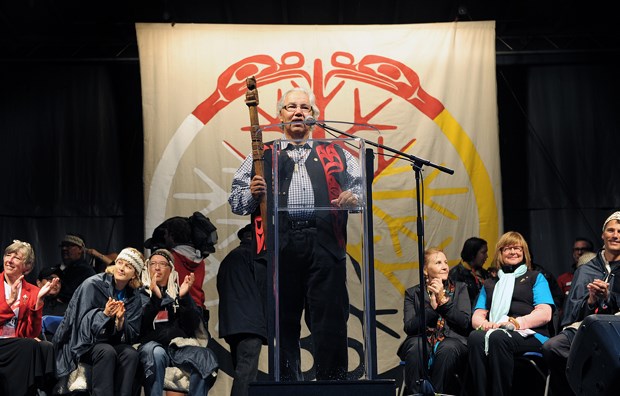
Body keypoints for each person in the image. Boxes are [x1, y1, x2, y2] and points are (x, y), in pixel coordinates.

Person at [229, 87, 362, 381]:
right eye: (291, 107)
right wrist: (252, 195)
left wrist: (354, 196)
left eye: (305, 107)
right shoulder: (262, 154)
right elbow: (236, 201)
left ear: (314, 116)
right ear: (279, 116)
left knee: (329, 323)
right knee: (283, 325)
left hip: (325, 246)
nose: (298, 112)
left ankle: (333, 384)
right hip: (279, 249)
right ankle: (287, 386)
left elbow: (362, 185)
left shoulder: (335, 151)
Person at [542, 211, 620, 396]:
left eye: (619, 231)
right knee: (552, 348)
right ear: (603, 235)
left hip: (615, 329)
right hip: (585, 328)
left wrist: (609, 296)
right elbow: (571, 312)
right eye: (610, 230)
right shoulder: (586, 269)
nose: (615, 235)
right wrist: (591, 301)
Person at [468, 231, 555, 396]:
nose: (513, 252)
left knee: (498, 337)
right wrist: (484, 324)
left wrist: (516, 323)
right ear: (500, 253)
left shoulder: (536, 277)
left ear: (524, 253)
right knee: (475, 337)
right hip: (498, 331)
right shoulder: (490, 283)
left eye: (517, 248)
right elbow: (478, 315)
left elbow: (545, 313)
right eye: (507, 249)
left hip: (531, 334)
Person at [53, 247, 145, 396]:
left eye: (128, 266)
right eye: (120, 262)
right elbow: (79, 324)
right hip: (84, 343)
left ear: (134, 275)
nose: (121, 268)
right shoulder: (93, 284)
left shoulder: (134, 297)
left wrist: (120, 322)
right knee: (106, 351)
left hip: (111, 342)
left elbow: (133, 334)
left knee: (131, 354)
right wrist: (104, 315)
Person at [138, 249, 218, 396]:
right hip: (151, 346)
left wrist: (185, 298)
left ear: (171, 270)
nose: (157, 268)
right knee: (156, 352)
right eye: (153, 264)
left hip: (176, 348)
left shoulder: (177, 293)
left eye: (162, 264)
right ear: (147, 268)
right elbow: (140, 327)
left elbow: (192, 326)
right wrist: (155, 299)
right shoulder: (140, 294)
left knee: (205, 356)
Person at [397, 248, 471, 395]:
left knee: (447, 348)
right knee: (416, 345)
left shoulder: (460, 288)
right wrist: (431, 308)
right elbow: (410, 327)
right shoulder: (413, 293)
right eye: (438, 263)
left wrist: (444, 303)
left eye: (445, 262)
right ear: (425, 270)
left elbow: (465, 322)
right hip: (421, 340)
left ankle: (437, 393)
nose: (445, 266)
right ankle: (415, 393)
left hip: (452, 340)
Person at [1, 240, 58, 396]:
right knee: (28, 345)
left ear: (26, 267)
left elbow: (32, 332)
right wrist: (9, 303)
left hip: (17, 343)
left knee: (35, 345)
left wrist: (39, 302)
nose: (10, 260)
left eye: (16, 258)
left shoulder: (32, 291)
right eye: (7, 255)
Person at [217, 224, 266, 396]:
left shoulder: (229, 258)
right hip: (250, 323)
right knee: (246, 374)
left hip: (232, 324)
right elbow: (264, 288)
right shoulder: (256, 257)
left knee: (242, 370)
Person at [449, 237, 489, 307]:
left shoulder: (485, 274)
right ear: (472, 253)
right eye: (483, 252)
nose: (486, 256)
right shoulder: (455, 275)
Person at [56, 233, 96, 304]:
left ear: (80, 249)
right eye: (63, 246)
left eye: (70, 246)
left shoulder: (86, 272)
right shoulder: (57, 270)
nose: (64, 248)